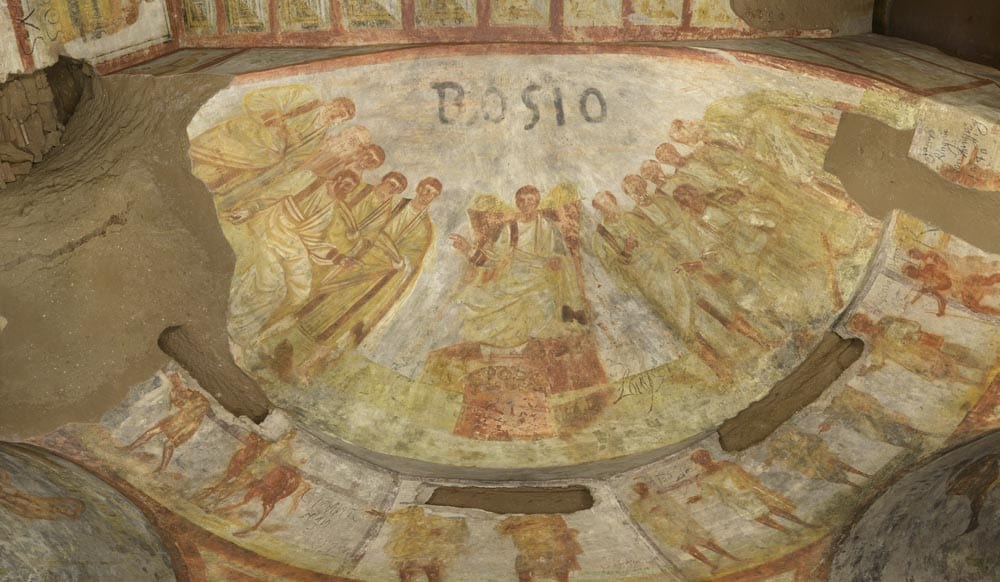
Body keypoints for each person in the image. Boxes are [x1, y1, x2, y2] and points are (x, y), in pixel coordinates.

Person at [291, 177, 443, 375]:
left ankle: (306, 365)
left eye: (432, 193)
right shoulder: (392, 203)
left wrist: (396, 257)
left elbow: (410, 262)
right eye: (425, 189)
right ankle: (280, 343)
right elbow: (367, 226)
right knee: (317, 300)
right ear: (418, 188)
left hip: (378, 279)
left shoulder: (425, 228)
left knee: (347, 317)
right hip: (357, 260)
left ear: (435, 198)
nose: (426, 195)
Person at [226, 169, 364, 348]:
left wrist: (339, 259)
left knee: (299, 291)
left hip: (293, 243)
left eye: (350, 189)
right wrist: (250, 209)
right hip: (273, 226)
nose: (346, 190)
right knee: (271, 282)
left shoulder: (330, 207)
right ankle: (236, 322)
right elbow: (273, 194)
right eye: (346, 184)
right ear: (336, 178)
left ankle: (248, 328)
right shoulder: (310, 180)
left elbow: (314, 240)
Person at [449, 185, 587, 348]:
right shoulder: (510, 228)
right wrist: (467, 250)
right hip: (512, 275)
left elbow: (562, 255)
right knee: (474, 297)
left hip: (542, 275)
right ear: (517, 204)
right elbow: (494, 257)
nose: (526, 204)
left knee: (539, 298)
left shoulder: (547, 227)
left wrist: (557, 260)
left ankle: (533, 345)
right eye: (522, 201)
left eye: (530, 200)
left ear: (537, 202)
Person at [190, 85, 355, 194]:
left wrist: (268, 178)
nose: (336, 118)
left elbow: (293, 161)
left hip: (254, 165)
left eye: (342, 118)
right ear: (333, 103)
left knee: (204, 186)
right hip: (241, 139)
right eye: (339, 111)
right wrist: (276, 125)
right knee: (194, 162)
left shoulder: (318, 138)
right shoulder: (306, 98)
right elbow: (257, 98)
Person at [688, 449, 814, 534]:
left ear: (709, 455)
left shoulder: (725, 464)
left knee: (774, 508)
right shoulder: (703, 478)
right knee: (760, 517)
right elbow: (708, 492)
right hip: (735, 500)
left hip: (748, 491)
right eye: (699, 458)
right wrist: (698, 497)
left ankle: (803, 524)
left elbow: (744, 474)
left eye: (704, 455)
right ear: (697, 462)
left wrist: (753, 486)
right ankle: (788, 532)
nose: (704, 459)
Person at [630, 481, 738, 571]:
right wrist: (653, 513)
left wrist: (679, 517)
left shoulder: (659, 494)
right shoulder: (637, 504)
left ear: (646, 487)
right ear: (636, 492)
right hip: (667, 528)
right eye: (638, 489)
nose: (642, 490)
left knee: (706, 542)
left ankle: (731, 557)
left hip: (680, 522)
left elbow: (674, 506)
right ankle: (711, 565)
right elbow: (641, 518)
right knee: (689, 548)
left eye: (642, 487)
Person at [126, 371, 210, 472]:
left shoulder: (196, 396)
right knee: (150, 432)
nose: (173, 380)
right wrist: (177, 399)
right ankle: (129, 449)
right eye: (171, 378)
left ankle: (162, 469)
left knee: (169, 443)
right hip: (175, 420)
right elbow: (175, 406)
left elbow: (200, 406)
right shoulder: (174, 392)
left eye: (175, 377)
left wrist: (186, 402)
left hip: (186, 426)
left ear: (180, 378)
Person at [376, 506, 468, 582]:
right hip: (415, 545)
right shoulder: (415, 513)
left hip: (428, 546)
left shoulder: (443, 525)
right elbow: (399, 516)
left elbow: (449, 530)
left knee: (430, 569)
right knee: (408, 569)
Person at [497, 514, 582, 582]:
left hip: (549, 549)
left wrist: (570, 553)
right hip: (530, 548)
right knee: (525, 572)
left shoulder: (552, 518)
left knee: (560, 570)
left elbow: (564, 533)